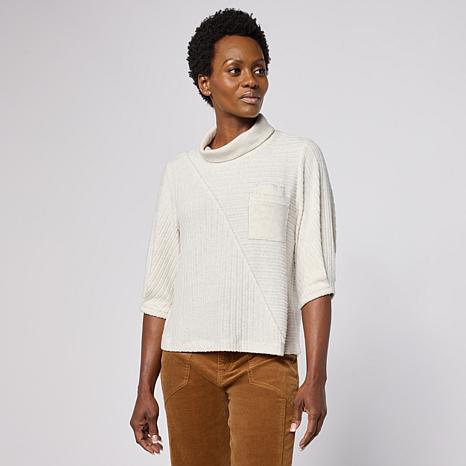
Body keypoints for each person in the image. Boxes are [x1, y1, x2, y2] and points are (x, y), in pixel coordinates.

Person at [130, 8, 337, 466]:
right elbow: (159, 291)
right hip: (186, 364)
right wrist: (144, 388)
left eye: (259, 70)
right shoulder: (180, 173)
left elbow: (316, 279)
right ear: (205, 82)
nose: (251, 81)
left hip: (266, 363)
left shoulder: (298, 158)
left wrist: (316, 377)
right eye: (235, 70)